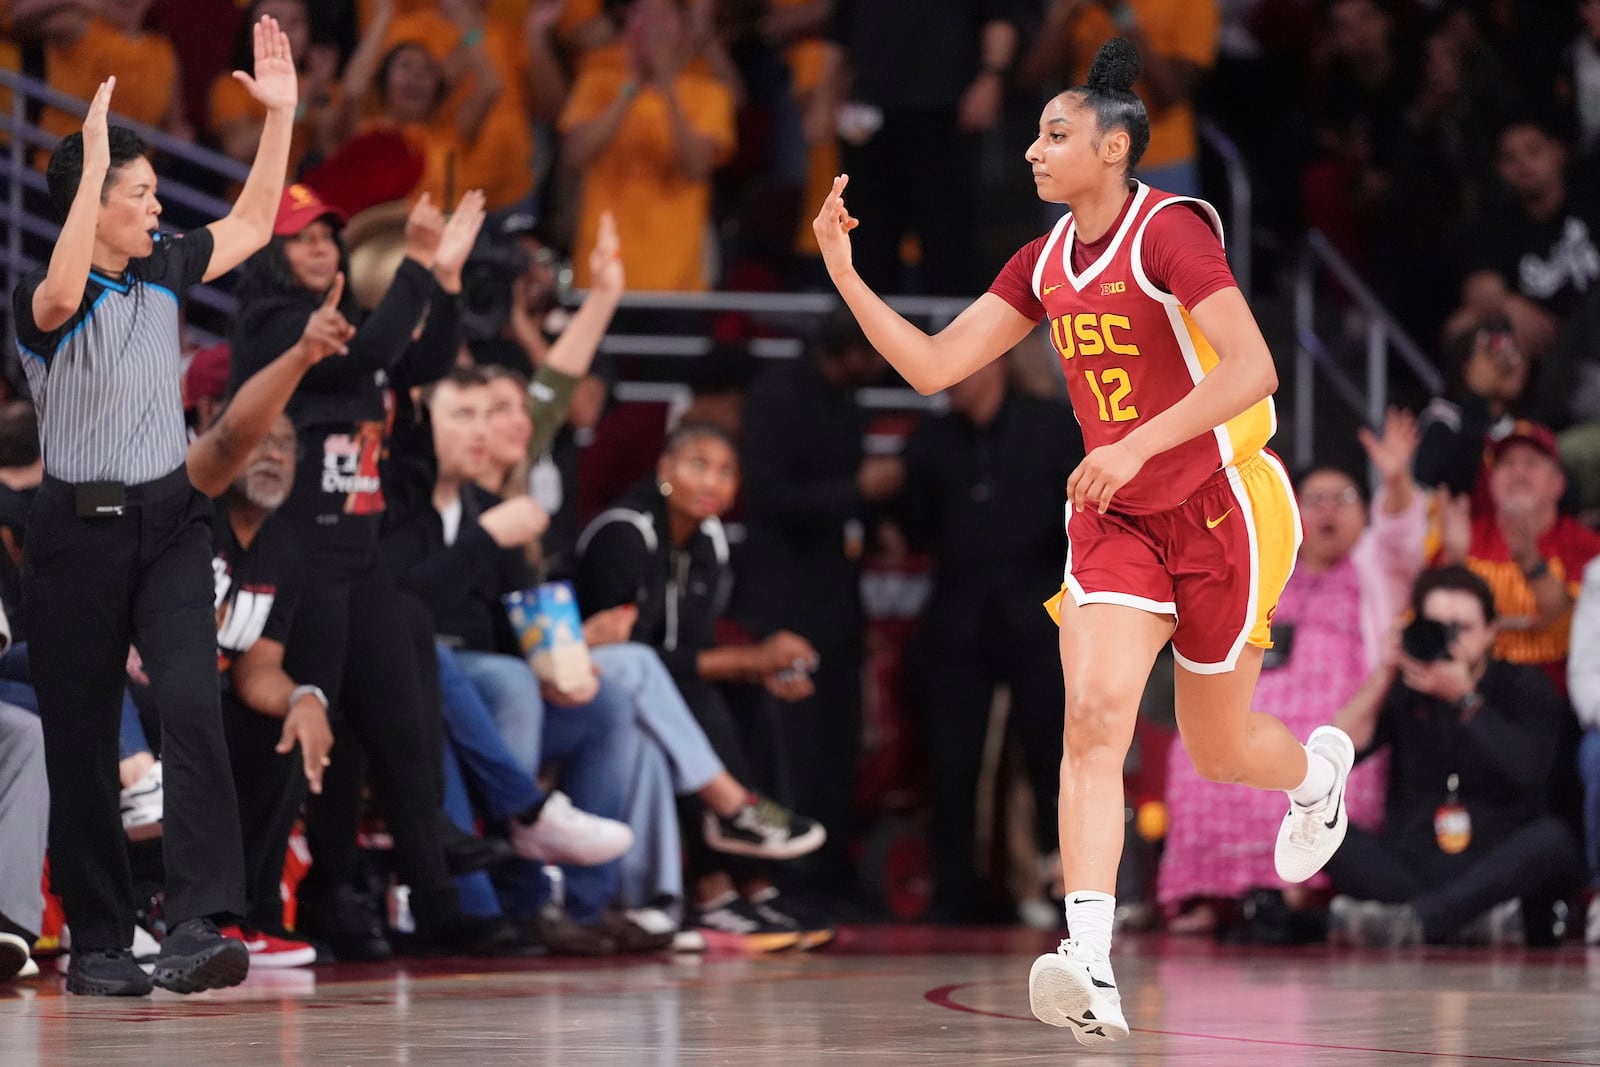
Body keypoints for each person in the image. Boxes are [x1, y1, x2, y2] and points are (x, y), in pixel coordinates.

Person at [810, 37, 1352, 1045]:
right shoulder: (1041, 261)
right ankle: (1088, 958)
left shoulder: (1172, 233)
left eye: (1053, 134)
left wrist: (1135, 445)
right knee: (1092, 720)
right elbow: (933, 364)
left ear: (1114, 149)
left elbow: (1254, 368)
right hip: (1112, 522)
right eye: (1033, 135)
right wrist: (844, 271)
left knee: (1219, 744)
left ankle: (1317, 779)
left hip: (1221, 506)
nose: (1031, 150)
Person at [9, 17, 299, 997]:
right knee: (83, 734)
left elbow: (256, 223)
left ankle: (193, 921)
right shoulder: (38, 298)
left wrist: (282, 118)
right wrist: (91, 169)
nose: (156, 204)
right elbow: (59, 289)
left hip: (172, 518)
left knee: (189, 696)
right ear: (92, 204)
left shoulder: (168, 262)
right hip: (72, 535)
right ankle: (98, 941)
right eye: (138, 193)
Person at [577, 422, 830, 947]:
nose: (711, 480)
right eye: (697, 464)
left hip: (661, 679)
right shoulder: (623, 532)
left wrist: (755, 666)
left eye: (726, 470)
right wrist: (747, 658)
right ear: (664, 469)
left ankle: (755, 883)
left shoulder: (711, 538)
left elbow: (694, 644)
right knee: (700, 696)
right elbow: (630, 654)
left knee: (750, 693)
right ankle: (714, 888)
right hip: (593, 680)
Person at [895, 355, 1082, 923]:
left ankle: (1067, 886)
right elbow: (914, 526)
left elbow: (1078, 514)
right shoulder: (930, 440)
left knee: (1053, 754)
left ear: (996, 367)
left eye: (963, 369)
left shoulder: (1050, 425)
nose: (951, 382)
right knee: (954, 760)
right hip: (959, 620)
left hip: (1038, 616)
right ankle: (957, 893)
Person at [1327, 565, 1584, 948]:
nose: (1448, 640)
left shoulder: (1523, 684)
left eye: (1460, 629)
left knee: (1554, 840)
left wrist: (1467, 701)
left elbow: (1530, 769)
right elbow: (1335, 751)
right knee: (1320, 830)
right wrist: (1385, 671)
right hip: (1414, 861)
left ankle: (1417, 921)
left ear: (1490, 631)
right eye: (1436, 627)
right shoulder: (1407, 683)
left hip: (1494, 860)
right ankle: (1462, 921)